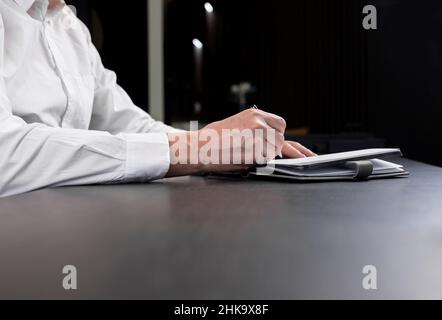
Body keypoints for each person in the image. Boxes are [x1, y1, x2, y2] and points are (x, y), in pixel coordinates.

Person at [0, 0, 315, 198]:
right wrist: (196, 150)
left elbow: (128, 122)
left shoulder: (72, 29)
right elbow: (5, 154)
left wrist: (222, 145)